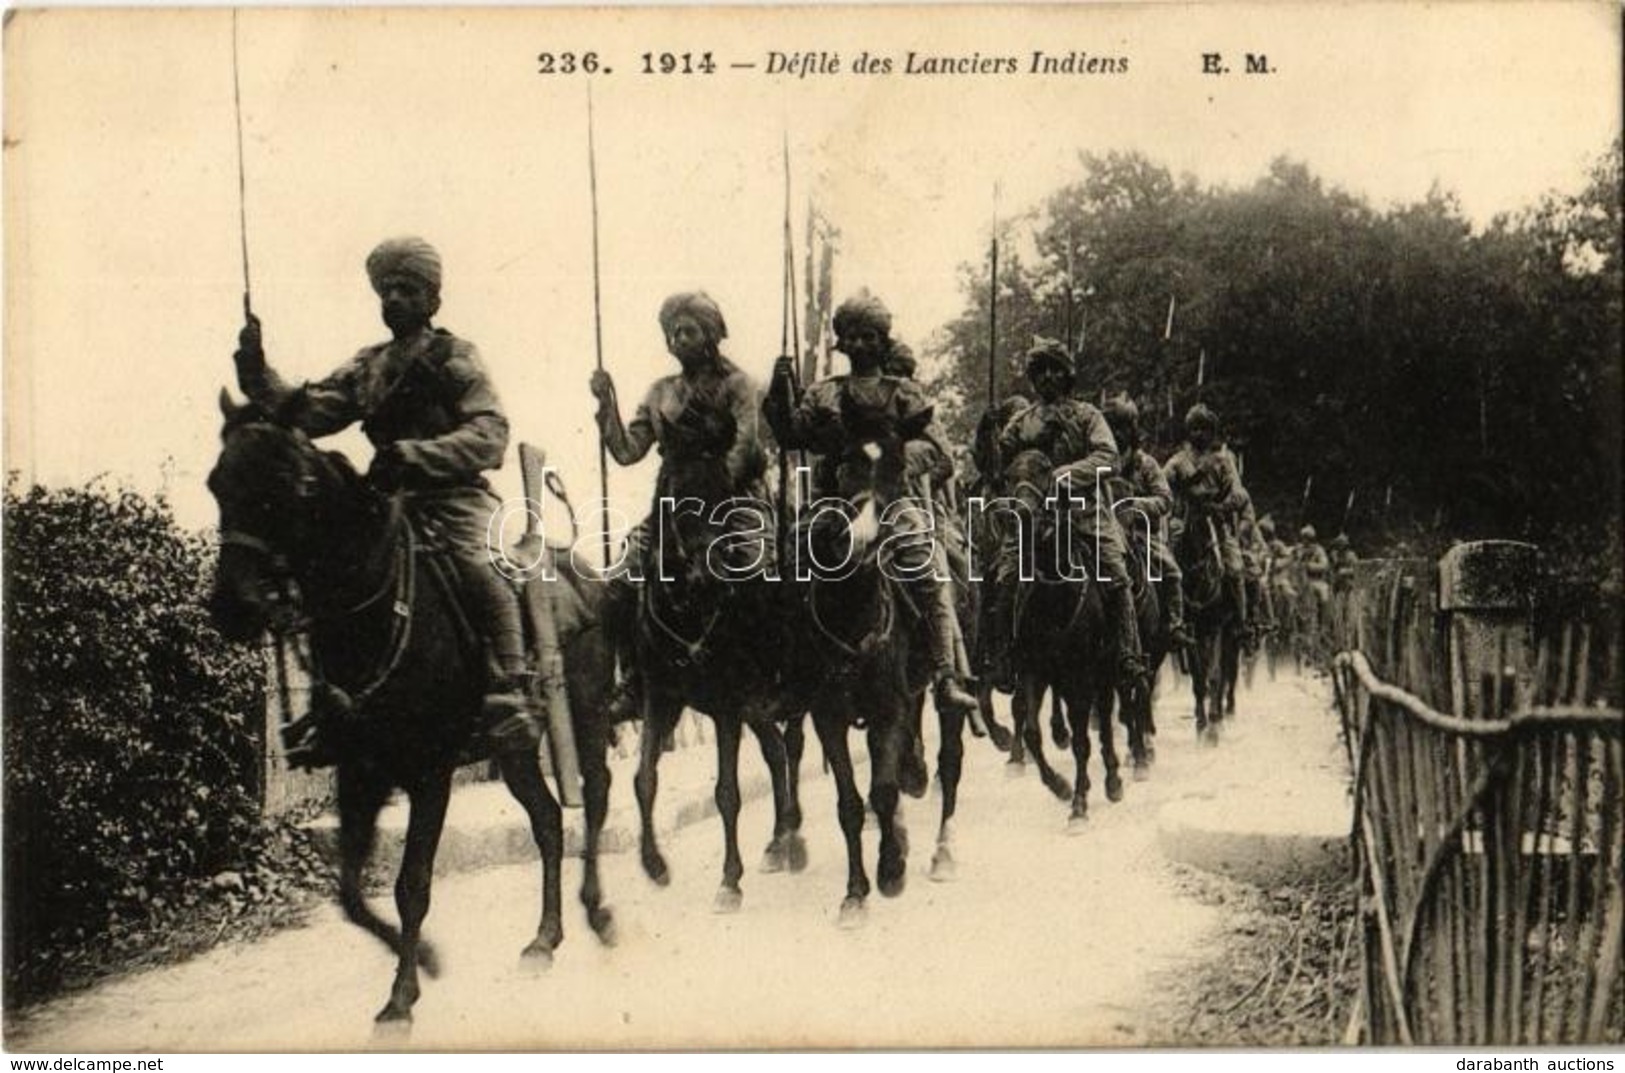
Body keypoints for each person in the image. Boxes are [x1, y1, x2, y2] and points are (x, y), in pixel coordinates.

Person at [233, 236, 536, 760]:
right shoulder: (366, 366)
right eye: (386, 289)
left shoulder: (455, 357)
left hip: (456, 500)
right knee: (332, 573)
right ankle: (333, 705)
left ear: (431, 300)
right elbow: (307, 410)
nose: (393, 298)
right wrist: (256, 369)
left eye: (407, 289)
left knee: (481, 567)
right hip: (390, 505)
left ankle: (507, 692)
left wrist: (418, 454)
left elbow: (490, 434)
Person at [764, 290, 978, 717]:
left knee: (930, 568)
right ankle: (793, 676)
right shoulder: (824, 394)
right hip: (839, 502)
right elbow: (792, 436)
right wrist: (779, 389)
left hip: (893, 498)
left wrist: (893, 457)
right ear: (841, 343)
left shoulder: (905, 393)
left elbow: (934, 450)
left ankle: (944, 675)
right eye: (851, 337)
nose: (860, 345)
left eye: (868, 337)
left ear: (883, 341)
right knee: (790, 559)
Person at [588, 292, 770, 720]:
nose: (678, 338)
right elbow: (628, 450)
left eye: (688, 329)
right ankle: (633, 680)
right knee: (619, 582)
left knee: (757, 570)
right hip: (672, 505)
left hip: (734, 500)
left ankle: (763, 672)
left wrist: (713, 488)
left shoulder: (738, 385)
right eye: (672, 332)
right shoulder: (660, 393)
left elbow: (745, 445)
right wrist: (606, 406)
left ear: (710, 334)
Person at [988, 339, 1145, 688]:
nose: (1047, 377)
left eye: (1054, 369)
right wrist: (987, 438)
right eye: (1040, 370)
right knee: (1005, 573)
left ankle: (1127, 653)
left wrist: (1064, 475)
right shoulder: (1021, 421)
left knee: (1116, 571)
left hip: (1083, 512)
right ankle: (1002, 655)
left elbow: (1109, 458)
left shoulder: (1088, 416)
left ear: (1066, 374)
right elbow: (998, 464)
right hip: (1034, 515)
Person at [1100, 395, 1193, 649]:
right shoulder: (1097, 461)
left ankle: (1174, 624)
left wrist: (1135, 505)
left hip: (1140, 535)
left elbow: (1165, 500)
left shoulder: (1146, 464)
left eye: (1121, 426)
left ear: (1131, 429)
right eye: (1110, 426)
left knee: (1172, 570)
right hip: (1103, 530)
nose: (1116, 433)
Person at [1163, 403, 1250, 640]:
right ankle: (1170, 620)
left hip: (1215, 521)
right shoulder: (1177, 461)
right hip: (1185, 519)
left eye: (1204, 429)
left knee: (1234, 566)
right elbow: (1162, 486)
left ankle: (1242, 622)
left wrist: (1224, 505)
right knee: (1164, 559)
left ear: (1212, 432)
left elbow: (1239, 492)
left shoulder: (1223, 461)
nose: (1199, 434)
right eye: (1194, 428)